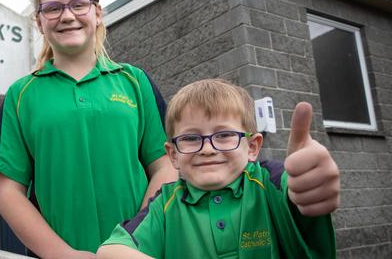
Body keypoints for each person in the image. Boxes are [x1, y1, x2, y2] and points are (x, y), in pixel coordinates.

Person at [0, 0, 178, 258]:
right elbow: (9, 190)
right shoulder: (21, 95)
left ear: (97, 13)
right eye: (53, 8)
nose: (67, 16)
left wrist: (135, 240)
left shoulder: (135, 81)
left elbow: (166, 165)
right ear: (39, 22)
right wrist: (62, 254)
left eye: (78, 4)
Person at [97, 78, 339, 259]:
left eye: (224, 135)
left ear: (252, 147)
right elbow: (111, 251)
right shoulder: (165, 204)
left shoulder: (270, 183)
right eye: (191, 139)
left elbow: (298, 189)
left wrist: (310, 181)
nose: (208, 149)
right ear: (173, 155)